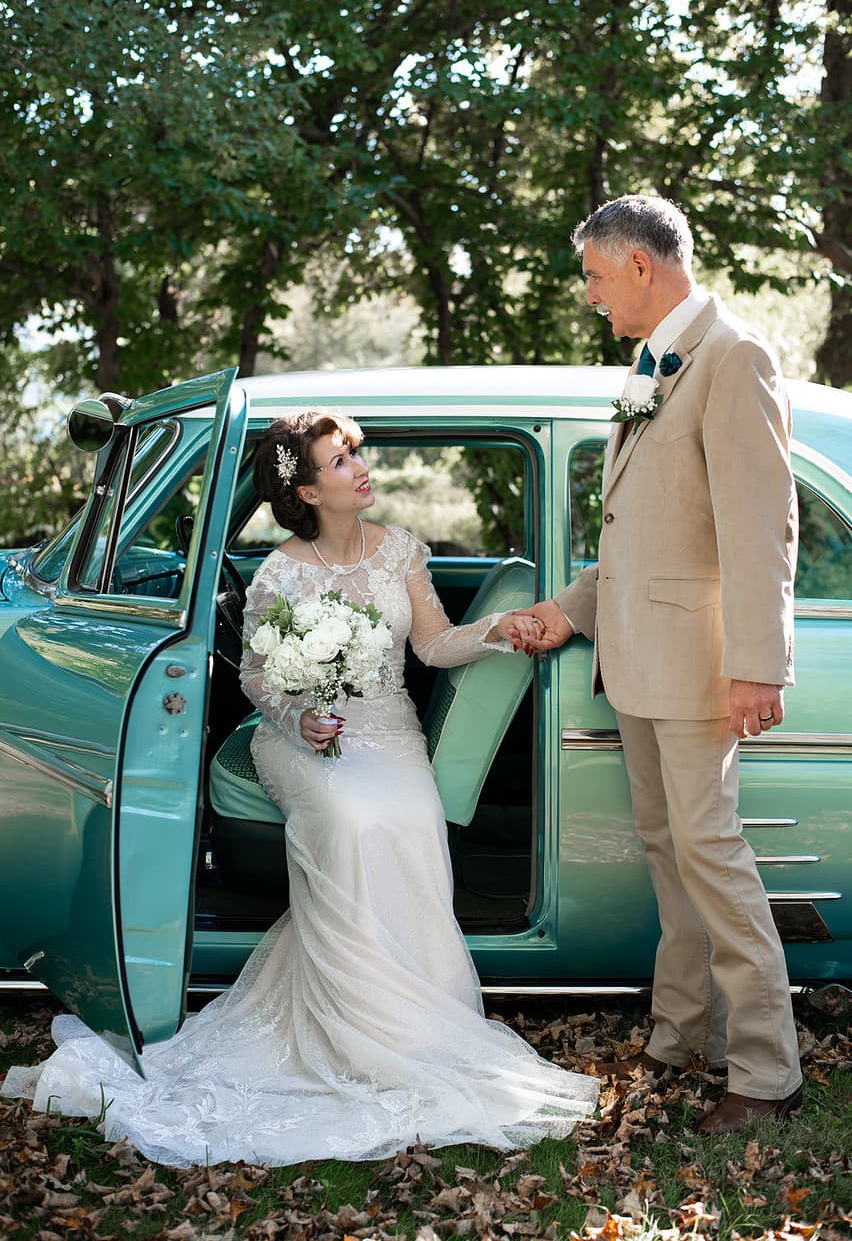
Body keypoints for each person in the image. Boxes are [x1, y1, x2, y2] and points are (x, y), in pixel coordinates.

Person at [1, 408, 598, 1167]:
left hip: (390, 730)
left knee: (411, 815)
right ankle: (354, 1024)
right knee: (348, 817)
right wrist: (299, 715)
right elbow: (254, 678)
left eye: (354, 453)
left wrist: (497, 630)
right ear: (310, 492)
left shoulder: (404, 552)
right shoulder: (279, 570)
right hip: (301, 740)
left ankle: (416, 1026)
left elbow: (432, 644)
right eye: (340, 461)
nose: (360, 466)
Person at [513, 194, 803, 1133]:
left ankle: (763, 1072)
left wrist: (760, 666)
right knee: (667, 856)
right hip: (635, 659)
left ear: (641, 266)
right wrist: (569, 610)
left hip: (699, 664)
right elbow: (639, 532)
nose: (592, 296)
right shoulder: (651, 364)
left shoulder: (734, 356)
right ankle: (682, 1037)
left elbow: (763, 530)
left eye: (596, 277)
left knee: (713, 858)